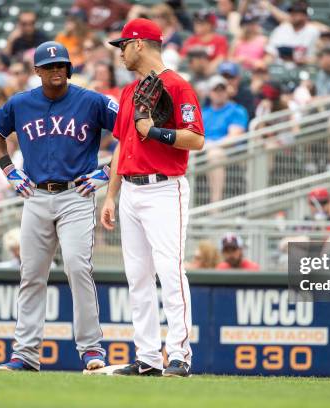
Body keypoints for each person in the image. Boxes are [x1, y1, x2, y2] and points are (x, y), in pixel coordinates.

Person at [0, 41, 117, 372]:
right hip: (36, 195)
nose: (57, 70)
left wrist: (109, 171)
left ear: (69, 68)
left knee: (77, 266)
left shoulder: (91, 100)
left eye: (61, 65)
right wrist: (8, 170)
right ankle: (26, 354)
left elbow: (130, 132)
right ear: (37, 71)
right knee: (31, 274)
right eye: (50, 66)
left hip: (76, 194)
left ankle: (91, 350)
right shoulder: (22, 103)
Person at [101, 18, 205, 377]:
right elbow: (121, 145)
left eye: (124, 45)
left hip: (165, 188)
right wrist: (111, 196)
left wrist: (156, 131)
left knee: (170, 272)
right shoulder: (129, 92)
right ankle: (146, 357)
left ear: (140, 44)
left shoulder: (177, 86)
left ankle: (178, 355)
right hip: (130, 189)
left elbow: (196, 139)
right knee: (138, 277)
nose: (121, 53)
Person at [202, 75, 249, 203]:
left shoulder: (236, 110)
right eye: (215, 90)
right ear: (209, 93)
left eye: (221, 89)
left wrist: (211, 145)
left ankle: (215, 205)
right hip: (203, 149)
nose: (219, 93)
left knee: (215, 155)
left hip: (230, 152)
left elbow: (234, 136)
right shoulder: (203, 112)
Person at [266, 1, 320, 65]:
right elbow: (271, 53)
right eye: (292, 12)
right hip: (280, 67)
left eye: (298, 13)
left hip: (302, 68)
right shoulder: (281, 29)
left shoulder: (313, 31)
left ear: (306, 16)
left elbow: (317, 58)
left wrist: (305, 60)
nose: (294, 15)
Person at [181, 10, 228, 74]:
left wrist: (208, 68)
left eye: (201, 23)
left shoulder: (219, 40)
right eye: (196, 22)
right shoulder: (191, 40)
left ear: (210, 25)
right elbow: (183, 57)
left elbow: (221, 58)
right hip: (192, 73)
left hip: (212, 73)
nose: (197, 25)